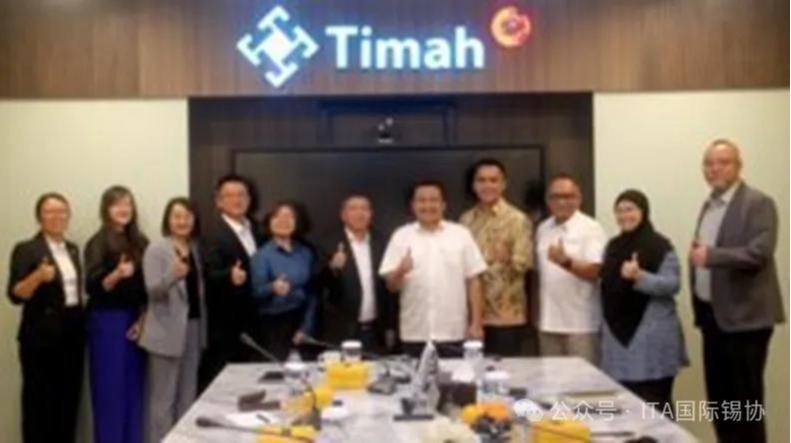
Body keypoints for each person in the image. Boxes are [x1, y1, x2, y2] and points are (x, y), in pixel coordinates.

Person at [689, 139, 784, 443]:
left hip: (745, 319)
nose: (714, 169)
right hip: (713, 317)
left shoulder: (758, 203)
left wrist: (712, 256)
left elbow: (759, 253)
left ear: (739, 166)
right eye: (708, 163)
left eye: (723, 162)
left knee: (745, 405)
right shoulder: (709, 204)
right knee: (720, 403)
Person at [599, 190, 688, 411]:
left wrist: (640, 276)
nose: (624, 216)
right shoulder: (612, 247)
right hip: (617, 340)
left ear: (644, 211)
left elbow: (672, 284)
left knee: (655, 405)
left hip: (652, 340)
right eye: (619, 211)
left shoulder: (660, 246)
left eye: (630, 209)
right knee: (624, 407)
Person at [6, 193, 85, 443]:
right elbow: (15, 294)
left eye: (62, 211)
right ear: (39, 217)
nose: (57, 216)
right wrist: (38, 277)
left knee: (68, 403)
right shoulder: (26, 249)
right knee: (39, 406)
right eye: (50, 211)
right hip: (40, 340)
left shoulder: (72, 249)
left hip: (72, 336)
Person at [379, 180, 487, 359]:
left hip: (453, 331)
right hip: (415, 332)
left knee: (454, 377)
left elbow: (474, 281)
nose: (428, 205)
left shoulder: (461, 234)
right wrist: (400, 271)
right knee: (415, 377)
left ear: (443, 205)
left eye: (433, 200)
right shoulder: (401, 236)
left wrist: (476, 323)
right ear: (413, 205)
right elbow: (391, 287)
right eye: (421, 200)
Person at [140, 198, 207, 443]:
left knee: (188, 395)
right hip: (166, 331)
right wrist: (172, 275)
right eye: (177, 216)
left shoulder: (195, 248)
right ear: (168, 220)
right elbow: (152, 291)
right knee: (163, 400)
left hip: (193, 327)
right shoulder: (156, 249)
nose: (182, 221)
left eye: (187, 216)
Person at [84, 185, 148, 443]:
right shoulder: (97, 242)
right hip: (107, 321)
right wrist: (117, 274)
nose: (124, 209)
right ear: (106, 209)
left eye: (128, 204)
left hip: (136, 321)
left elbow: (147, 289)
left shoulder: (140, 242)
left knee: (134, 389)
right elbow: (92, 286)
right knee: (109, 391)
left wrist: (143, 319)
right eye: (117, 204)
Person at [460, 158, 533, 356]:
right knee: (472, 370)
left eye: (493, 180)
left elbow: (525, 264)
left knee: (505, 370)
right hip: (471, 315)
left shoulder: (517, 220)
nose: (487, 185)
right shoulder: (465, 220)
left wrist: (507, 259)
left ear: (503, 184)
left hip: (506, 316)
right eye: (481, 180)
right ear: (474, 185)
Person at [535, 174, 607, 365]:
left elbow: (597, 271)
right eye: (555, 197)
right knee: (551, 380)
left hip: (581, 324)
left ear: (579, 199)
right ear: (547, 200)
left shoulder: (591, 228)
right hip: (548, 322)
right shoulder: (543, 228)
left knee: (583, 381)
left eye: (568, 196)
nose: (561, 202)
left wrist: (566, 262)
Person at [201, 174, 264, 386]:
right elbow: (207, 274)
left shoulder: (258, 229)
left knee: (256, 384)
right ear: (219, 201)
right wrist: (229, 275)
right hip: (226, 325)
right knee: (227, 388)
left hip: (257, 323)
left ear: (249, 199)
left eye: (241, 195)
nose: (237, 200)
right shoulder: (210, 233)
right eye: (229, 195)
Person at [323, 194, 396, 354]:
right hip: (341, 332)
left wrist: (390, 326)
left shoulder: (383, 242)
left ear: (371, 214)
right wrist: (332, 268)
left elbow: (389, 290)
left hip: (375, 332)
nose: (359, 213)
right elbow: (318, 287)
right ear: (343, 215)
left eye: (364, 209)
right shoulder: (327, 244)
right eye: (353, 209)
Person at [251, 201, 319, 360]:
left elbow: (312, 292)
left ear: (297, 222)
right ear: (269, 222)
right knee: (278, 372)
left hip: (302, 321)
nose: (283, 221)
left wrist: (306, 327)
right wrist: (272, 288)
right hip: (274, 326)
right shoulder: (261, 256)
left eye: (289, 217)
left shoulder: (306, 252)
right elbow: (255, 294)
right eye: (277, 216)